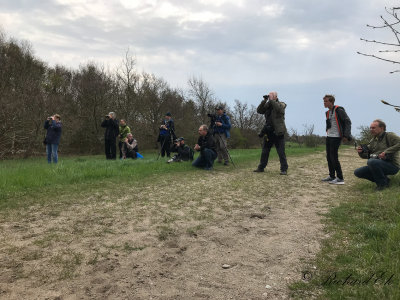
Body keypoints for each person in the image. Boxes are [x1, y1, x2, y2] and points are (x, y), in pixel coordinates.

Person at [354, 119, 400, 191]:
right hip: (378, 164)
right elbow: (367, 156)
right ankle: (385, 181)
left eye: (373, 128)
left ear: (381, 128)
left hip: (393, 165)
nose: (371, 129)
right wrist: (361, 152)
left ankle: (382, 185)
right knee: (358, 172)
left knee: (372, 162)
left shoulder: (390, 135)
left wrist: (386, 152)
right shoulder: (373, 140)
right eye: (370, 128)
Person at [253, 91, 288, 175]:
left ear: (276, 97)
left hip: (278, 132)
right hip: (268, 132)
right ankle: (261, 167)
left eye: (271, 96)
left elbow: (279, 109)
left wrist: (272, 101)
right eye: (269, 96)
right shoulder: (268, 105)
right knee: (265, 151)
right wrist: (264, 101)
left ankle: (284, 169)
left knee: (281, 152)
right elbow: (259, 110)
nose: (270, 97)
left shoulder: (281, 104)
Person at [322, 95, 352, 185]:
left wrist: (346, 135)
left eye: (326, 101)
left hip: (337, 137)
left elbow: (348, 122)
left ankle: (340, 178)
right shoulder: (327, 112)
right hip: (329, 136)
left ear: (331, 102)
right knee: (329, 157)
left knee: (334, 157)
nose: (324, 103)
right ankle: (332, 176)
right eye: (324, 101)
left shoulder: (339, 110)